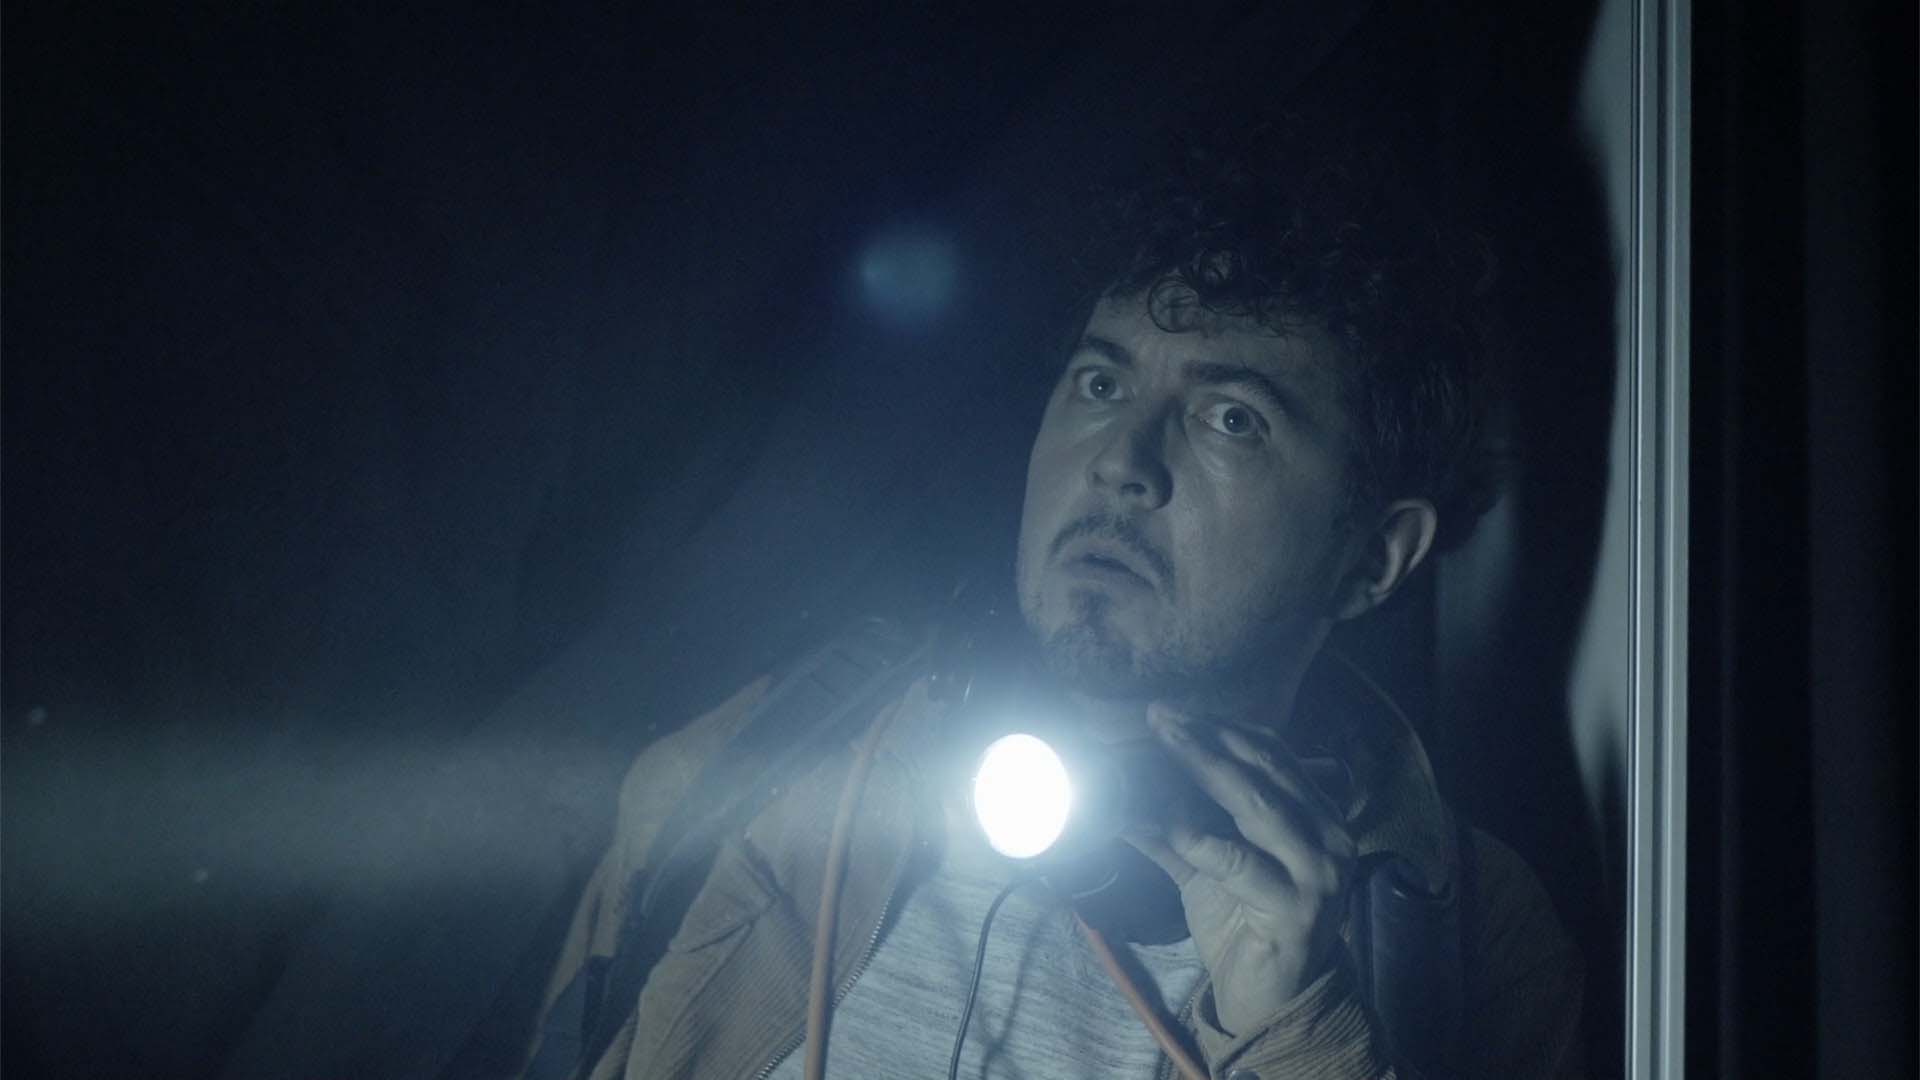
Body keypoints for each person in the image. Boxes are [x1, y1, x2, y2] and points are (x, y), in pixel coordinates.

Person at [516, 120, 1584, 1080]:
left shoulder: (1474, 946)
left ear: (1374, 558)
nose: (1121, 461)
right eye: (1102, 384)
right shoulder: (753, 759)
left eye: (1231, 419)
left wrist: (1300, 1033)